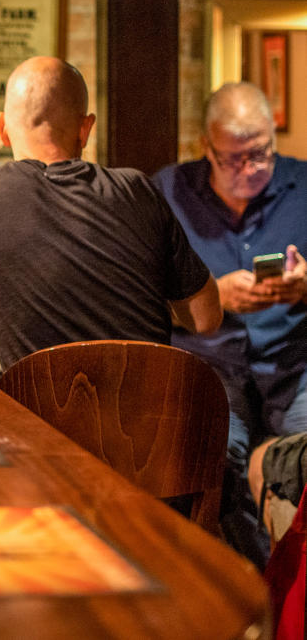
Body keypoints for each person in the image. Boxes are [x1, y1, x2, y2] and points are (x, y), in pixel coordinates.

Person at [0, 56, 222, 371]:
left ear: (2, 128)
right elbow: (206, 318)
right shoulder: (138, 189)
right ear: (85, 128)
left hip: (38, 432)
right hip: (156, 430)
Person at [154, 81, 307, 564]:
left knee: (303, 460)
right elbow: (137, 291)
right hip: (209, 361)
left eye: (260, 153)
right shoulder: (167, 190)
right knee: (211, 461)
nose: (250, 169)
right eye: (233, 158)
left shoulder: (303, 185)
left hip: (293, 362)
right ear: (206, 147)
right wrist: (212, 295)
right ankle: (247, 587)